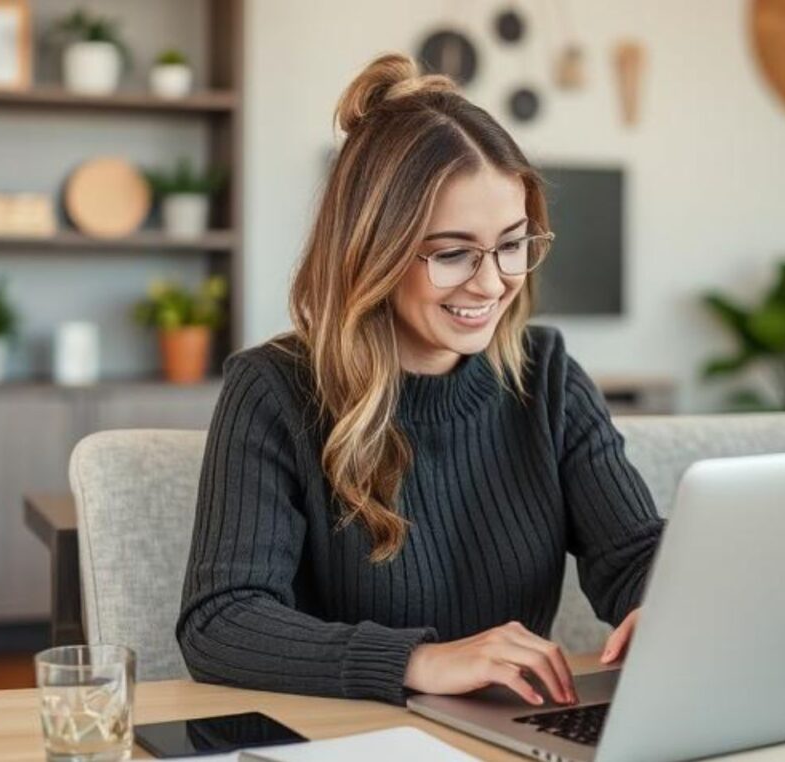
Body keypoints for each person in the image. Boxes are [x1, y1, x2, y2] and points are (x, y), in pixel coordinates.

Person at [176, 52, 664, 708]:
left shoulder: (544, 376)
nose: (491, 283)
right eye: (455, 252)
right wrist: (419, 661)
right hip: (353, 740)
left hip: (513, 736)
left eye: (513, 244)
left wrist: (663, 602)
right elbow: (221, 621)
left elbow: (633, 553)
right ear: (373, 250)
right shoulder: (274, 390)